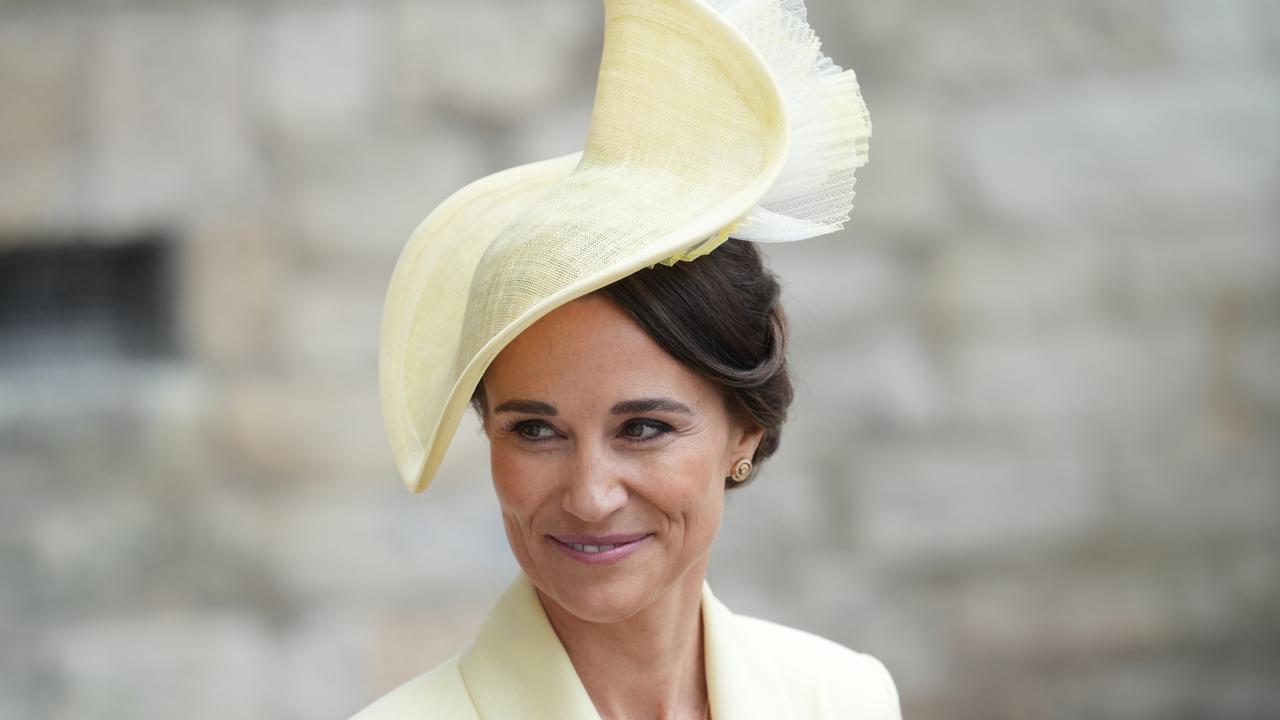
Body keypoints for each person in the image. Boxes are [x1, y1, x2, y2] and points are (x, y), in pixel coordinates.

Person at [356, 0, 899, 717]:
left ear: (746, 430)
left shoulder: (844, 698)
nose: (589, 496)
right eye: (534, 430)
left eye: (642, 428)